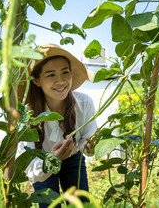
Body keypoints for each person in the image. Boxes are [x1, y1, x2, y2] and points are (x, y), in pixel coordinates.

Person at [17, 43, 98, 207]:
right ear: (37, 80)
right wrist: (51, 160)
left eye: (65, 72)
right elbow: (29, 166)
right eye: (51, 74)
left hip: (73, 158)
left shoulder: (84, 103)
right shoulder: (27, 116)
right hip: (43, 163)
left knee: (81, 204)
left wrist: (91, 147)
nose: (60, 81)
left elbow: (87, 139)